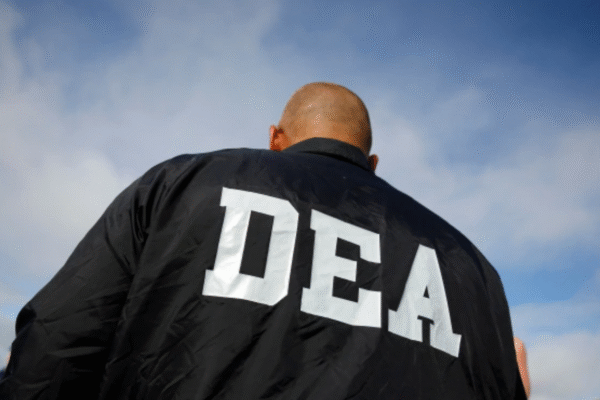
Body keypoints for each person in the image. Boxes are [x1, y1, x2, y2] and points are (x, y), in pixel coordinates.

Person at [0, 82, 527, 399]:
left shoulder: (181, 186)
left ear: (276, 139)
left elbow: (57, 342)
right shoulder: (471, 269)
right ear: (371, 164)